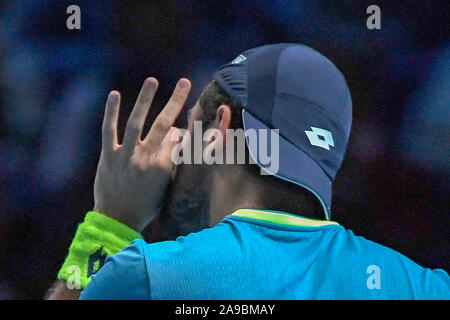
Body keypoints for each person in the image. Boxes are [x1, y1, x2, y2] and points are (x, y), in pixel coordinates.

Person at [47, 44, 449, 300]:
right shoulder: (427, 287)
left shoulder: (148, 278)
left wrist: (111, 223)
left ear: (219, 129)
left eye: (190, 125)